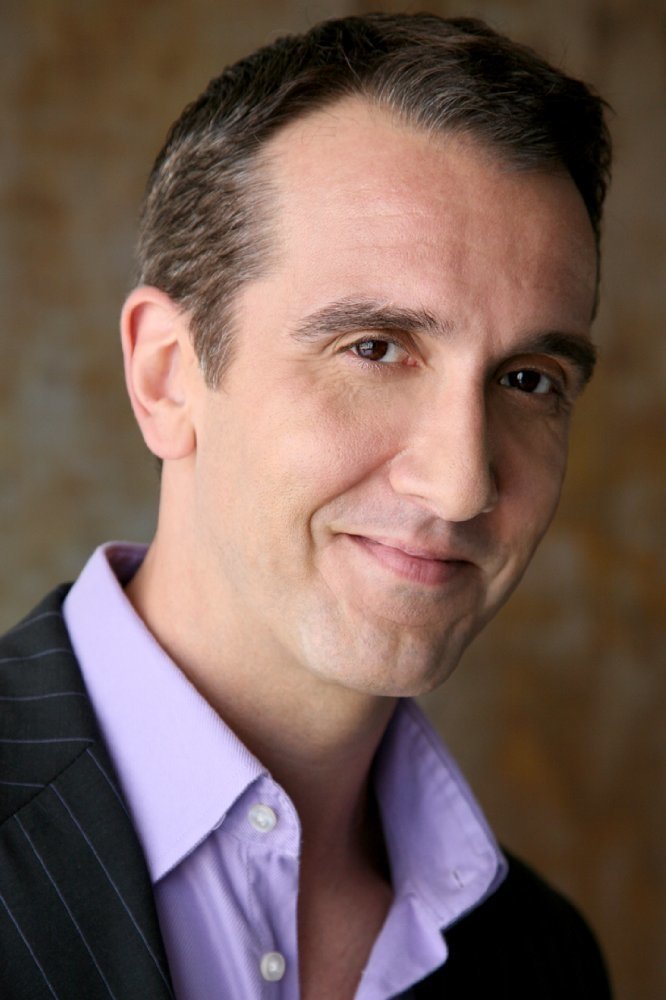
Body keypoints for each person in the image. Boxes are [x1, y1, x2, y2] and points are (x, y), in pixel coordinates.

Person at [0, 12, 613, 999]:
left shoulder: (546, 961)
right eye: (374, 349)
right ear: (167, 376)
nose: (461, 483)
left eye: (528, 379)